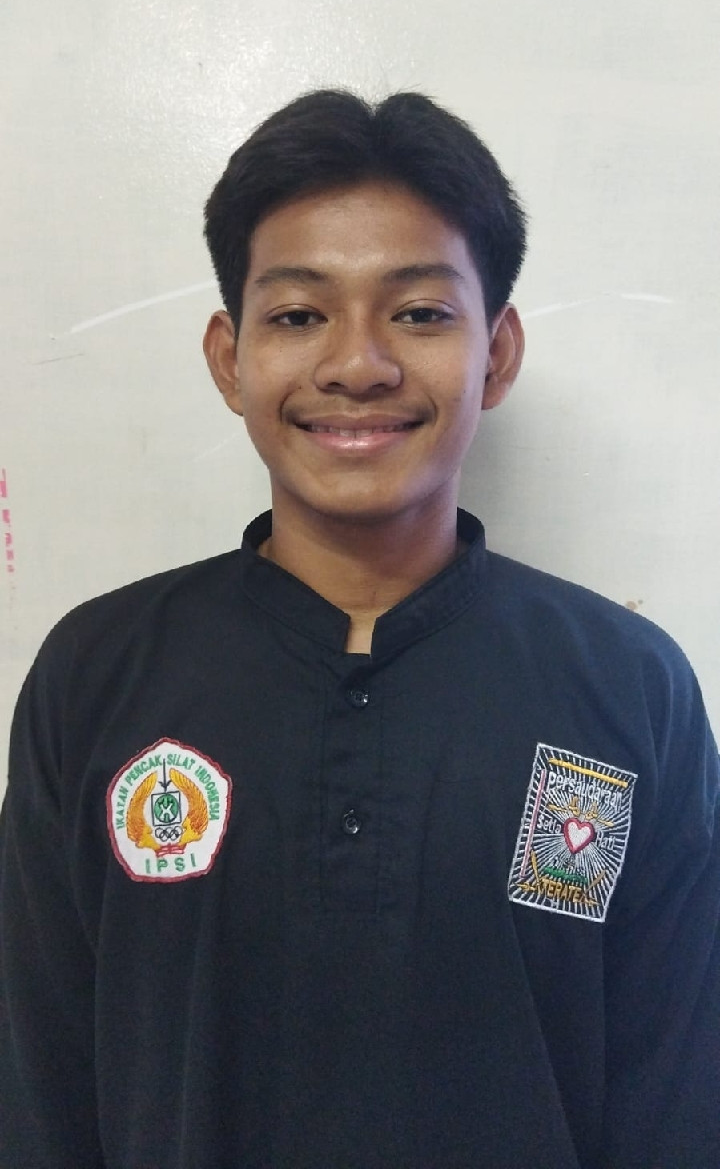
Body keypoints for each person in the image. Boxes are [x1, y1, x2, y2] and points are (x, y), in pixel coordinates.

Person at [1, 90, 718, 1169]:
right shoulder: (96, 674)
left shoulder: (628, 688)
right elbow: (35, 1088)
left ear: (497, 353)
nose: (357, 364)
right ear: (229, 356)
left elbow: (679, 1099)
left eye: (419, 313)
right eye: (299, 315)